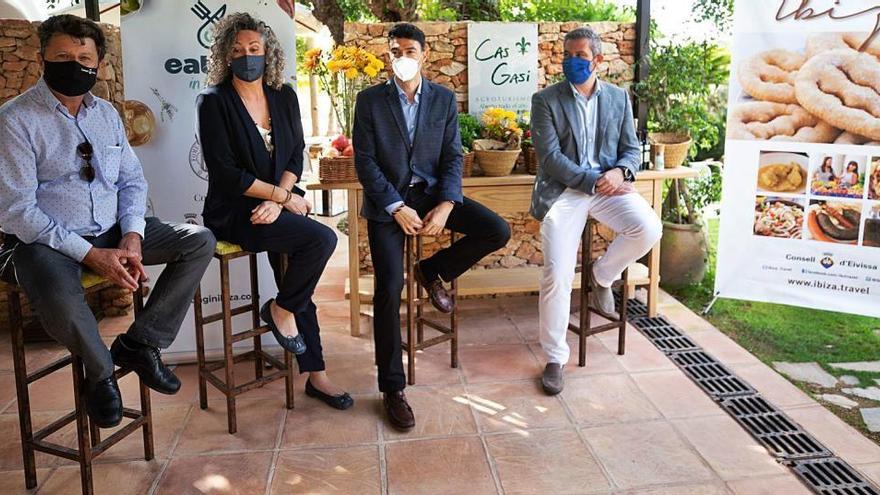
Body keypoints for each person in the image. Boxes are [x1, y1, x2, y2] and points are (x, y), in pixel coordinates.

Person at [0, 15, 216, 427]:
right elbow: (17, 211)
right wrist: (91, 255)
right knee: (59, 297)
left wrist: (133, 236)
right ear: (42, 56)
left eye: (84, 57)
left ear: (97, 63)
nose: (75, 64)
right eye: (63, 56)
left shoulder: (107, 115)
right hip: (45, 242)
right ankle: (101, 374)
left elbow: (132, 180)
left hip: (113, 230)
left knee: (198, 241)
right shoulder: (15, 119)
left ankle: (141, 342)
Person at [353, 23, 511, 430]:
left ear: (424, 55)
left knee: (496, 229)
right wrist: (393, 206)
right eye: (395, 50)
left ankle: (433, 269)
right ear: (389, 55)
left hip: (430, 195)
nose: (402, 57)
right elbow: (365, 162)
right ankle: (392, 388)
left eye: (409, 50)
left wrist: (444, 204)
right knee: (389, 288)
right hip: (388, 203)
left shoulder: (442, 98)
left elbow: (452, 156)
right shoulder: (369, 101)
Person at [197, 13, 352, 410]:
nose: (246, 56)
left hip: (277, 200)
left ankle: (311, 365)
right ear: (225, 55)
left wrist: (278, 197)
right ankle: (283, 314)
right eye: (237, 50)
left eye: (254, 49)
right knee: (322, 239)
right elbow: (227, 173)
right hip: (235, 211)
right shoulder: (213, 102)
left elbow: (295, 153)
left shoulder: (283, 95)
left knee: (299, 278)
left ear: (268, 53)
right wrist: (280, 200)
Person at [530, 27, 662, 395]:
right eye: (567, 56)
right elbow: (551, 158)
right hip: (565, 191)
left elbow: (631, 149)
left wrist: (621, 172)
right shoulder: (545, 100)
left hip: (610, 186)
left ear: (598, 60)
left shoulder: (619, 98)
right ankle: (555, 357)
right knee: (556, 271)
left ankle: (602, 275)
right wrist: (595, 180)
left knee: (649, 228)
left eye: (580, 57)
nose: (571, 62)